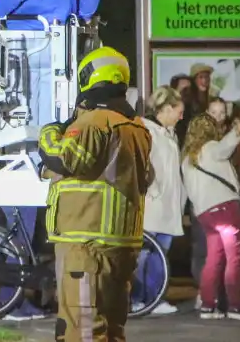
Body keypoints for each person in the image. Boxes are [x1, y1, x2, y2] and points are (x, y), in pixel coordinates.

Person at [38, 47, 152, 342]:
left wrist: (50, 131)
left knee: (83, 329)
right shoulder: (136, 126)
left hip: (86, 242)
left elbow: (64, 159)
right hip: (120, 242)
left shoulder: (94, 122)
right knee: (112, 330)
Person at [182, 112, 240, 321]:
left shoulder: (187, 160)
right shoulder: (209, 149)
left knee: (213, 260)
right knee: (235, 258)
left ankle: (208, 305)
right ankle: (235, 306)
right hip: (226, 210)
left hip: (205, 215)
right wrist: (239, 132)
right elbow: (224, 147)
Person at [133, 86, 185, 315]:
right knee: (143, 254)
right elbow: (141, 164)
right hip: (152, 204)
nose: (181, 116)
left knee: (159, 255)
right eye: (178, 111)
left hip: (168, 205)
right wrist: (152, 191)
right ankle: (137, 298)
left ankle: (154, 298)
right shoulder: (147, 130)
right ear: (166, 109)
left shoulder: (168, 132)